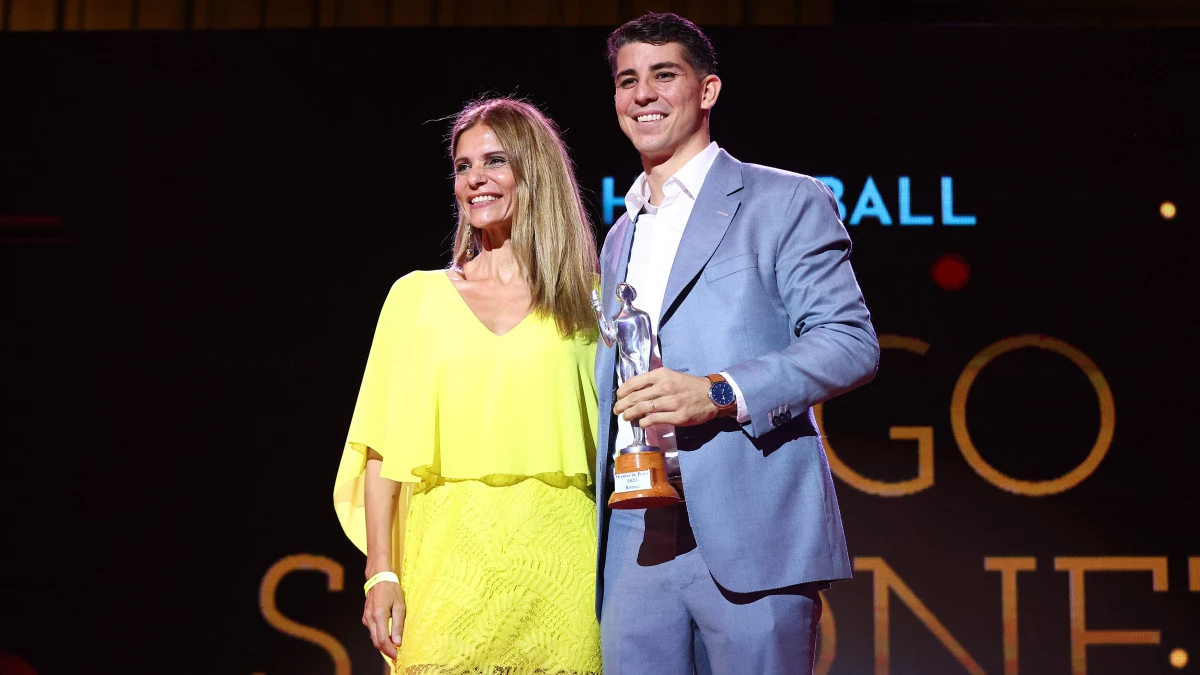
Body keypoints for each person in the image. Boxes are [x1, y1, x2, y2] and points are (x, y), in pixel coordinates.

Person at [594, 13, 880, 675]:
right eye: (627, 80)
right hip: (636, 531)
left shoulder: (783, 200)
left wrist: (717, 391)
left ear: (707, 90)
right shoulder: (617, 237)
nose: (642, 94)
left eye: (664, 75)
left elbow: (850, 341)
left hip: (754, 523)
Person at [332, 97, 603, 675]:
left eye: (495, 161)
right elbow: (382, 448)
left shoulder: (589, 301)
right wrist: (381, 572)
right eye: (462, 166)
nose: (475, 179)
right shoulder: (416, 299)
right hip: (446, 564)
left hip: (564, 565)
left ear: (535, 173)